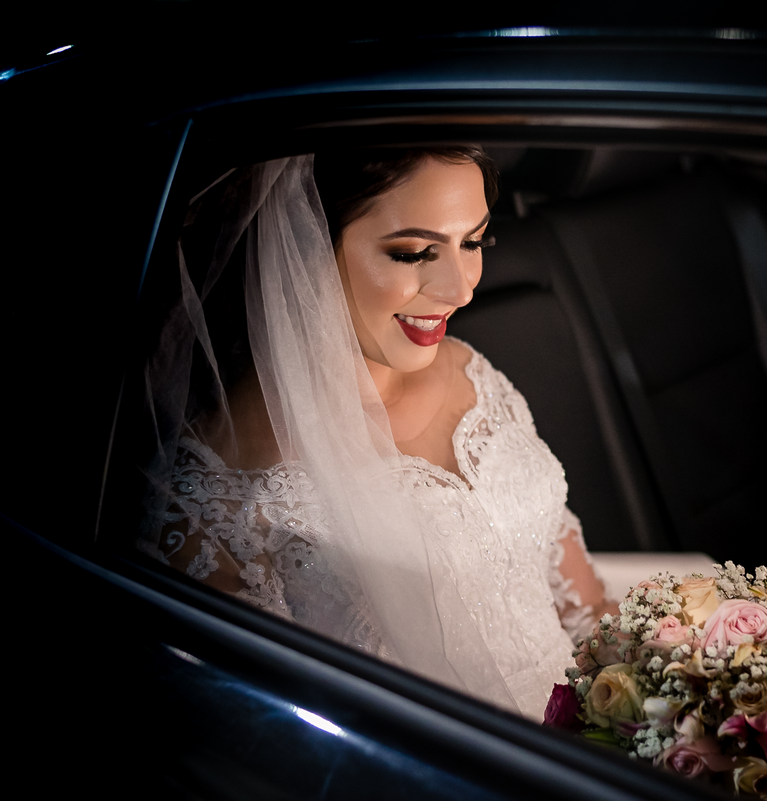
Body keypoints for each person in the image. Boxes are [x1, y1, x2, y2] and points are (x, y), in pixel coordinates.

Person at [137, 147, 613, 719]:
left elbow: (584, 608)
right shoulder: (219, 494)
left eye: (474, 242)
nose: (461, 289)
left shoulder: (471, 371)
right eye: (414, 252)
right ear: (305, 242)